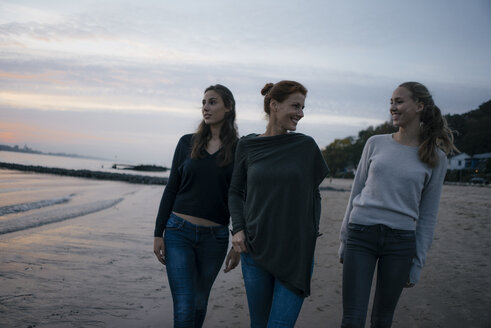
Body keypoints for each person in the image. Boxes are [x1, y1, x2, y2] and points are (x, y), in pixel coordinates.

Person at [338, 82, 458, 328]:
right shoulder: (374, 143)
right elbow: (356, 191)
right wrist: (344, 240)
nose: (393, 107)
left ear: (419, 106)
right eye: (391, 102)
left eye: (399, 101)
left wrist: (417, 262)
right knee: (352, 319)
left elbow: (428, 214)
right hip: (360, 235)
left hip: (400, 242)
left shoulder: (437, 158)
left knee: (383, 320)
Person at [229, 80, 329, 327]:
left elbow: (313, 194)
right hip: (255, 250)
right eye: (295, 106)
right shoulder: (248, 145)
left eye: (303, 107)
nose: (301, 114)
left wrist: (311, 233)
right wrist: (238, 229)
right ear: (274, 105)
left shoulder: (305, 146)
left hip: (295, 252)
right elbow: (234, 192)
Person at [153, 84, 241, 328]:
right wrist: (158, 232)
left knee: (200, 303)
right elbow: (171, 188)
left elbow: (240, 197)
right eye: (203, 102)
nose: (205, 107)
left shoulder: (239, 149)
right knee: (184, 306)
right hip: (178, 232)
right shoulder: (186, 143)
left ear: (228, 107)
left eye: (212, 102)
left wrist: (238, 239)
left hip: (216, 238)